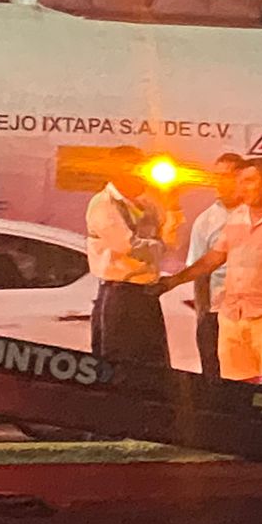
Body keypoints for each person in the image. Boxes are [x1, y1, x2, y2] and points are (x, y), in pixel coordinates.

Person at [160, 157, 262, 389]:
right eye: (239, 181)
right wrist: (173, 281)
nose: (240, 187)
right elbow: (213, 258)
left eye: (248, 181)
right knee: (239, 384)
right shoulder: (236, 217)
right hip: (233, 314)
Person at [85, 146, 179, 367]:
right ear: (116, 172)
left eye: (141, 168)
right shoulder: (103, 203)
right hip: (121, 294)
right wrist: (159, 246)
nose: (139, 174)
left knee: (154, 365)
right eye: (132, 168)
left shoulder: (148, 204)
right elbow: (128, 245)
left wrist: (172, 205)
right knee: (121, 366)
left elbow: (170, 241)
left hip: (146, 293)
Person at [187, 153, 246, 377]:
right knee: (215, 377)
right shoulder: (206, 221)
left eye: (227, 176)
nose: (220, 182)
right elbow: (199, 271)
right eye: (217, 176)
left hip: (253, 314)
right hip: (219, 313)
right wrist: (203, 317)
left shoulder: (261, 215)